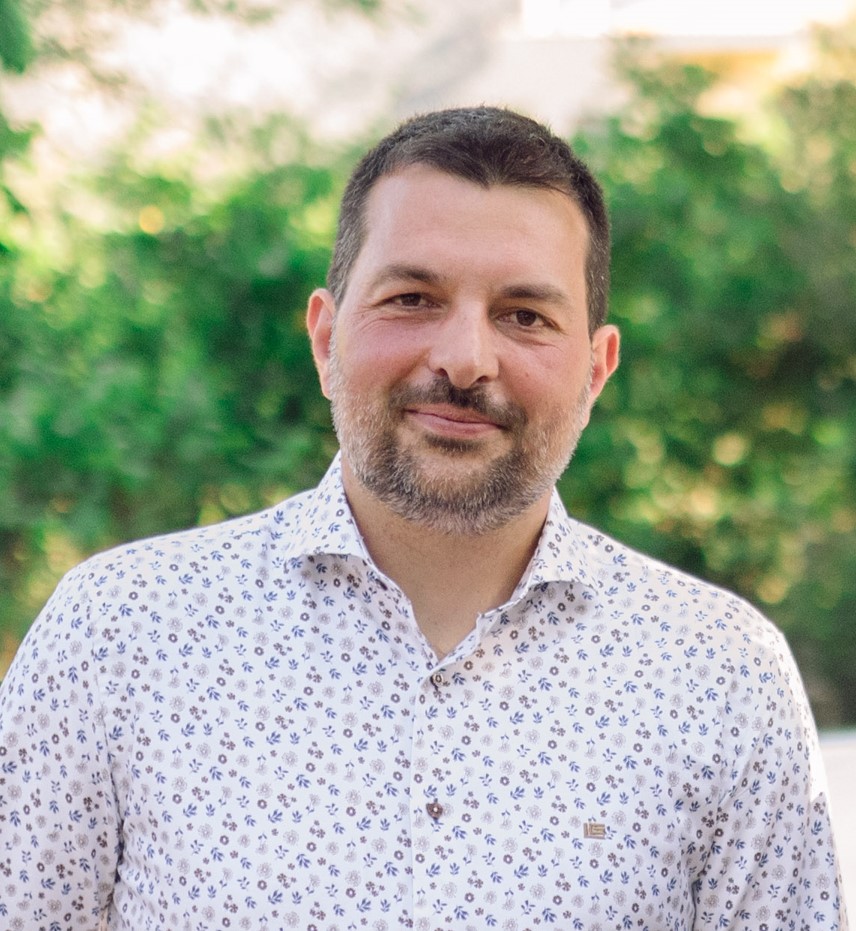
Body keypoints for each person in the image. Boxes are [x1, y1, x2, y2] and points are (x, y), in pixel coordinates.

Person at [0, 107, 846, 931]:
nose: (464, 359)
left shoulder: (721, 677)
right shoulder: (116, 635)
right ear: (325, 339)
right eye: (412, 298)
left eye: (525, 316)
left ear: (596, 370)